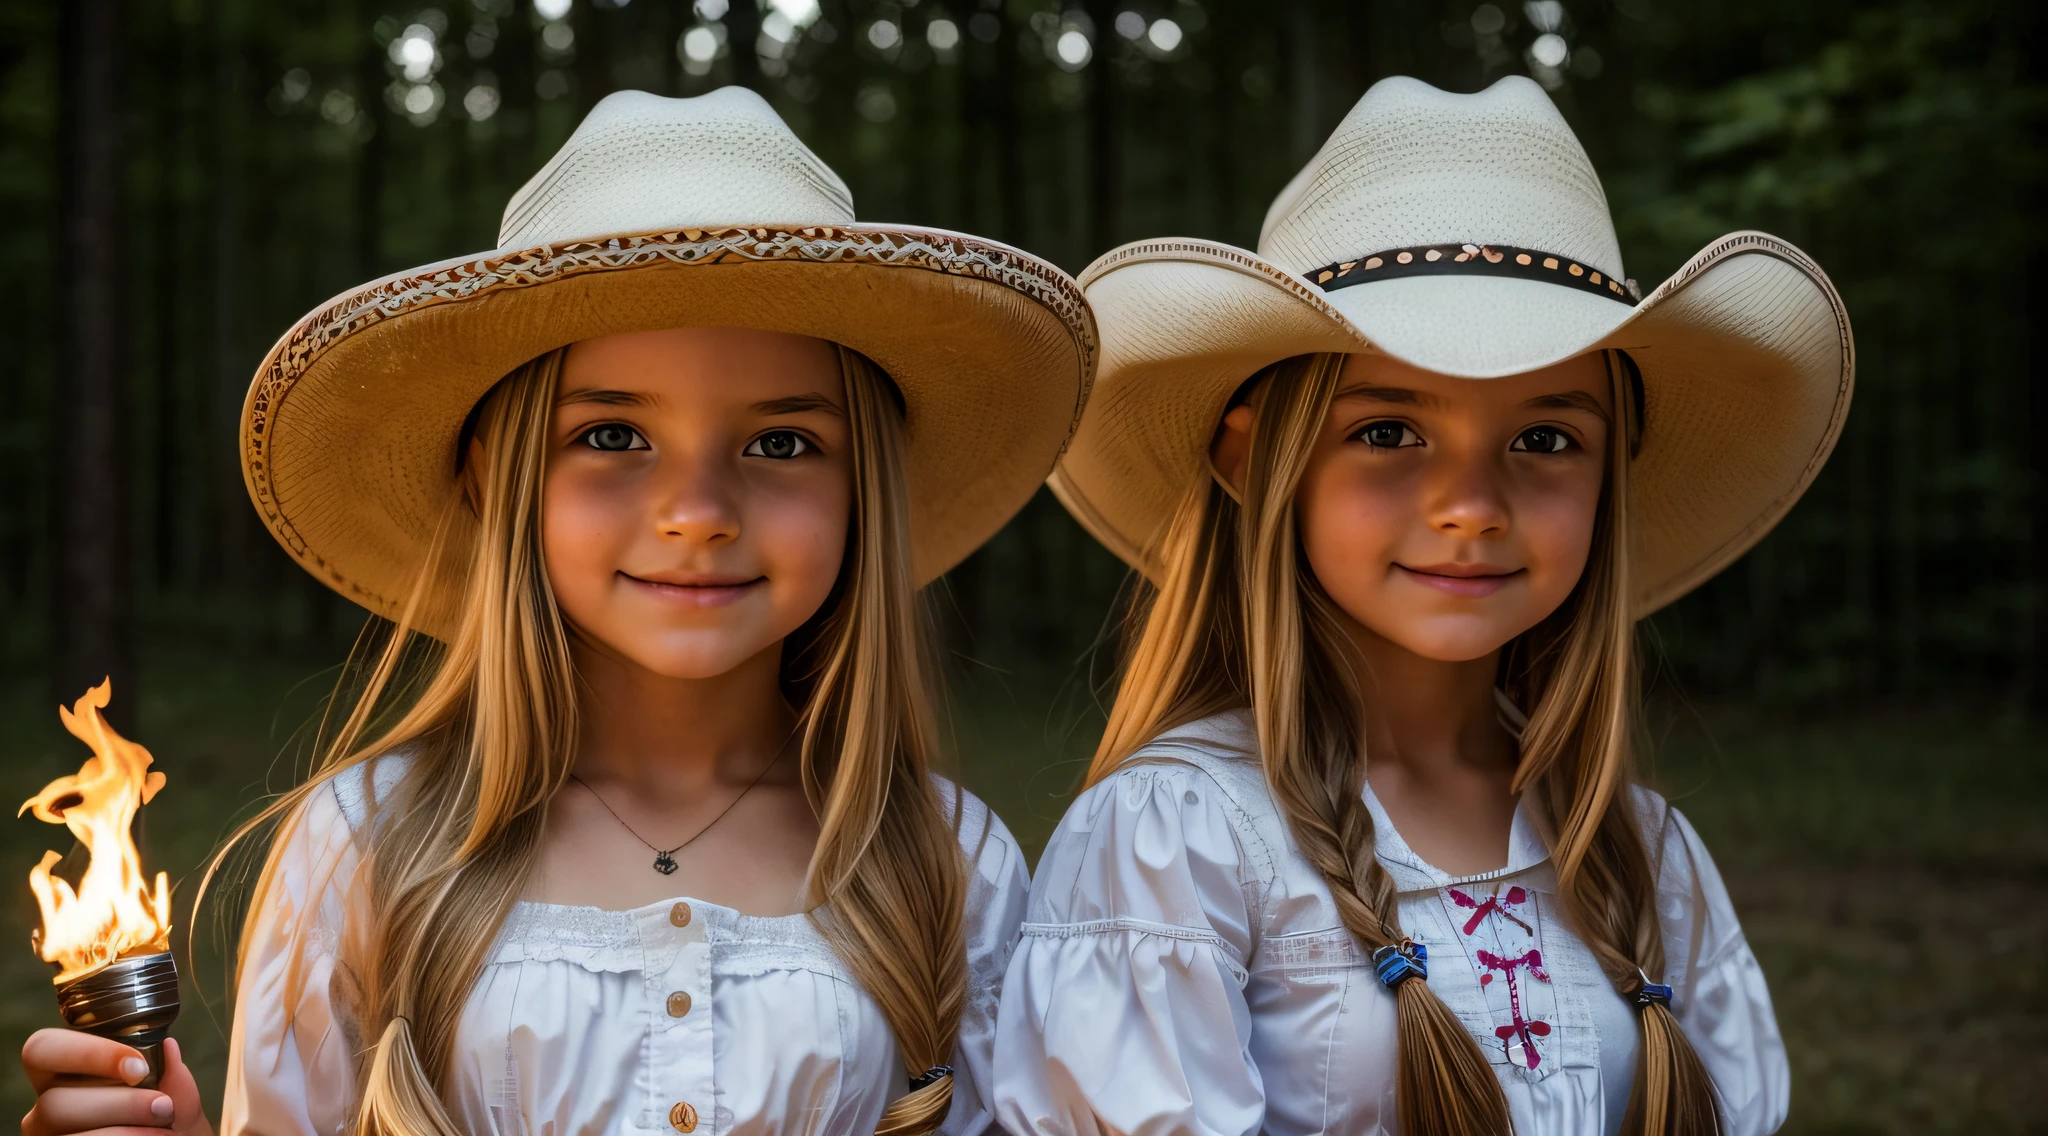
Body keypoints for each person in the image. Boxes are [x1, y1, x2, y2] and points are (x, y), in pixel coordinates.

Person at [21, 87, 1095, 1136]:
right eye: (612, 435)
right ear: (498, 478)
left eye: (781, 442)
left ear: (863, 489)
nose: (697, 513)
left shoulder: (949, 861)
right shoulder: (365, 845)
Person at [995, 76, 1850, 1136]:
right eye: (1388, 431)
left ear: (1608, 476)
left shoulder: (1641, 851)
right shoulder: (1180, 842)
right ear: (1256, 460)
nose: (1469, 507)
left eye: (1544, 439)